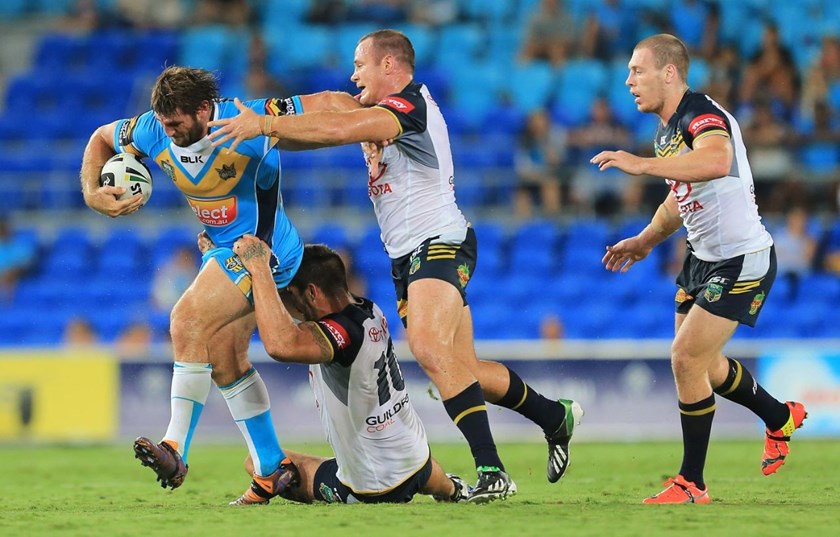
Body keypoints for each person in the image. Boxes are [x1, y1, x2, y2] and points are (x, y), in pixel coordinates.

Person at [207, 29, 583, 502]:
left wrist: (264, 128)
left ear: (390, 66)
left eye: (360, 64)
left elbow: (342, 129)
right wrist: (260, 117)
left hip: (439, 242)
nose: (353, 73)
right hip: (407, 256)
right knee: (460, 366)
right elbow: (327, 105)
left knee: (427, 347)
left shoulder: (410, 108)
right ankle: (555, 417)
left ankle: (492, 471)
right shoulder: (373, 110)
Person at [79, 66, 344, 504]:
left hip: (265, 248)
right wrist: (92, 192)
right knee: (224, 359)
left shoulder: (246, 120)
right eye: (163, 123)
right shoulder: (152, 128)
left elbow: (328, 102)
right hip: (222, 249)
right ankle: (271, 466)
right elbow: (100, 139)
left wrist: (377, 117)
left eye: (177, 123)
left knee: (185, 320)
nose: (169, 132)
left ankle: (174, 447)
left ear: (204, 109)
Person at [590, 34, 807, 504]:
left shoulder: (699, 113)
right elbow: (679, 196)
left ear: (669, 73)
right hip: (700, 260)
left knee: (685, 359)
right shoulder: (667, 131)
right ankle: (779, 416)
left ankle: (692, 483)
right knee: (701, 369)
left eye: (637, 70)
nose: (628, 80)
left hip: (740, 259)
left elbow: (716, 158)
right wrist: (645, 241)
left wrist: (640, 165)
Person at [218, 234, 472, 504]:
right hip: (420, 462)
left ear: (313, 292)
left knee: (259, 461)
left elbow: (281, 344)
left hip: (373, 486)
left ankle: (343, 488)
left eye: (289, 293)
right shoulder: (369, 310)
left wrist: (258, 268)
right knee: (416, 465)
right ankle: (452, 489)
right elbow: (285, 320)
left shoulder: (342, 332)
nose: (284, 301)